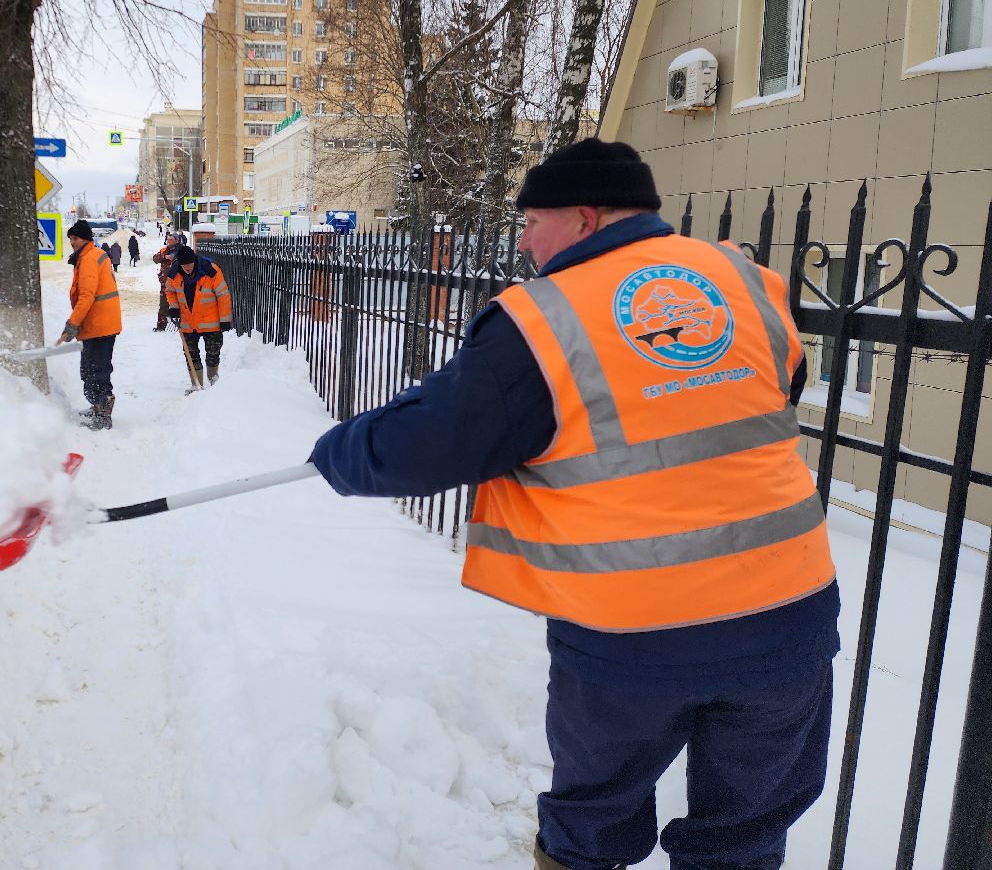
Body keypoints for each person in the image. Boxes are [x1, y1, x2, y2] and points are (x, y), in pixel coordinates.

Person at [309, 138, 839, 870]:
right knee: (744, 832)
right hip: (789, 614)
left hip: (635, 630)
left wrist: (338, 452)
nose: (523, 238)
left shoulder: (546, 317)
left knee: (594, 822)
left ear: (585, 219)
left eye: (533, 219)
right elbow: (782, 387)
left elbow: (429, 444)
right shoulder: (738, 277)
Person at [57, 219, 122, 430]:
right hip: (97, 324)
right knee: (89, 371)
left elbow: (86, 296)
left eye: (74, 238)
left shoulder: (88, 259)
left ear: (84, 238)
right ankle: (97, 406)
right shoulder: (88, 256)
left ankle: (103, 414)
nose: (71, 242)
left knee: (97, 372)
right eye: (70, 239)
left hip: (99, 325)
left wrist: (71, 326)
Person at [165, 244, 232, 384]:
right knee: (191, 355)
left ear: (195, 261)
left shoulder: (210, 271)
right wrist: (174, 307)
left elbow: (223, 295)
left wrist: (225, 319)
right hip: (187, 323)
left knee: (213, 354)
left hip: (211, 322)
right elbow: (170, 291)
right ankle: (197, 385)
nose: (188, 268)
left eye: (190, 264)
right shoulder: (174, 274)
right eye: (184, 266)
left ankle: (214, 382)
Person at [152, 232, 181, 332]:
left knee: (180, 304)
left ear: (176, 241)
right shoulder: (164, 250)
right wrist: (165, 257)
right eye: (168, 240)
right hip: (165, 283)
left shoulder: (181, 250)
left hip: (178, 283)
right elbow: (155, 259)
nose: (169, 242)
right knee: (163, 305)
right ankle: (161, 325)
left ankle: (181, 325)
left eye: (171, 240)